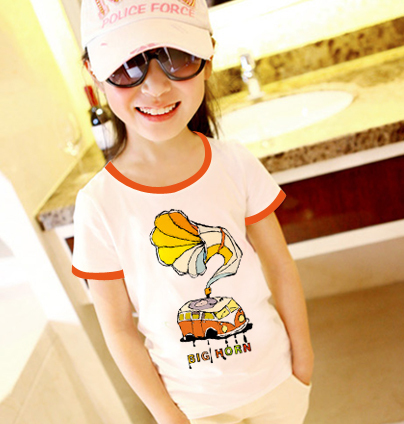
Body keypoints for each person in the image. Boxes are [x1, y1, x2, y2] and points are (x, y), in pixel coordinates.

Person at [72, 1, 314, 423]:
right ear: (94, 72)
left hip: (279, 383)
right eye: (128, 66)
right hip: (193, 409)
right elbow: (118, 328)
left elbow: (279, 265)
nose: (155, 87)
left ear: (208, 57)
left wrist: (303, 361)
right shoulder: (99, 203)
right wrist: (166, 414)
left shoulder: (234, 162)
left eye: (177, 58)